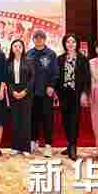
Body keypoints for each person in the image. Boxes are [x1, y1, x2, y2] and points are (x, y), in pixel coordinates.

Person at [56, 34, 91, 160]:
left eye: (73, 42)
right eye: (68, 42)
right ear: (64, 44)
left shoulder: (83, 59)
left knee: (74, 120)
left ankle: (73, 146)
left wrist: (84, 93)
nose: (70, 44)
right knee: (65, 120)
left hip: (77, 94)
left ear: (77, 44)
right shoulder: (60, 59)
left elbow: (87, 78)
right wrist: (56, 93)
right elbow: (57, 77)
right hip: (64, 94)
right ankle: (69, 143)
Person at [27, 30, 59, 158]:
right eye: (36, 37)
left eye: (41, 37)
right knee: (33, 118)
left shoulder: (51, 54)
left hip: (46, 92)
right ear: (33, 39)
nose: (39, 39)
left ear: (45, 39)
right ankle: (33, 142)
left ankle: (48, 145)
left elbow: (55, 72)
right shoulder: (29, 53)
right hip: (32, 93)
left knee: (47, 119)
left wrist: (51, 86)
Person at [5, 39, 34, 156]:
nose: (17, 48)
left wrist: (25, 91)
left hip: (26, 92)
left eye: (19, 46)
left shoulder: (29, 61)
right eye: (15, 46)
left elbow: (32, 78)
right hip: (13, 93)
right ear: (12, 48)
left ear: (23, 48)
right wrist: (12, 92)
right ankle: (15, 147)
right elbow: (7, 79)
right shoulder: (8, 62)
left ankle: (25, 148)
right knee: (15, 120)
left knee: (25, 121)